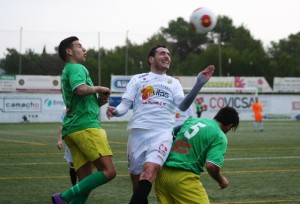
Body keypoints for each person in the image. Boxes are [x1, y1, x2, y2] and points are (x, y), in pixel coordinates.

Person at [106, 44, 215, 204]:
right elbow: (124, 105)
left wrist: (199, 84)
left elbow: (183, 106)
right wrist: (115, 111)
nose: (167, 56)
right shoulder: (138, 79)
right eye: (162, 53)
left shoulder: (173, 83)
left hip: (162, 133)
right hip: (138, 133)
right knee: (138, 186)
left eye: (169, 54)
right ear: (151, 59)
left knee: (149, 172)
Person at [52, 36, 116, 204]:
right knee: (109, 171)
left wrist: (98, 102)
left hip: (72, 129)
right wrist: (99, 88)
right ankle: (64, 197)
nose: (84, 49)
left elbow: (79, 98)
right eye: (80, 46)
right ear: (69, 51)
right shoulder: (76, 67)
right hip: (86, 128)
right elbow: (80, 90)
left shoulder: (68, 70)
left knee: (85, 184)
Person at [155, 106, 240, 204]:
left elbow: (170, 135)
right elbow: (211, 166)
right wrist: (221, 180)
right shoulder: (220, 136)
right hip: (183, 178)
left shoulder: (192, 121)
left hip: (162, 174)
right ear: (230, 126)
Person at [56, 109, 77, 186]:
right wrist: (59, 140)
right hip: (71, 138)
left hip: (85, 138)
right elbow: (62, 124)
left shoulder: (86, 104)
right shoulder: (66, 108)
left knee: (85, 165)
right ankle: (74, 187)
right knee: (72, 164)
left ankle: (83, 189)